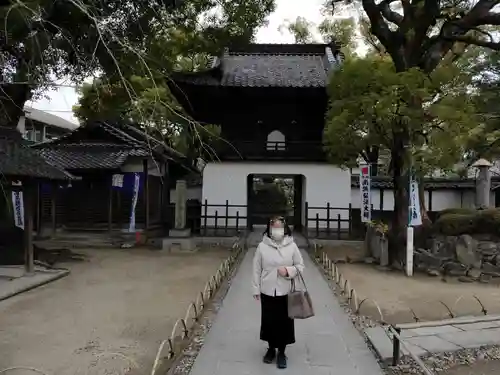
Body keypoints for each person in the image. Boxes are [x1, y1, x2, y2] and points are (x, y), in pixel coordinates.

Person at [252, 216, 305, 369]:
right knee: (269, 321)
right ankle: (270, 349)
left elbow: (300, 266)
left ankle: (282, 352)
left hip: (286, 291)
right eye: (274, 227)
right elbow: (256, 269)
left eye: (279, 227)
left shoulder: (292, 246)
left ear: (285, 228)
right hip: (267, 290)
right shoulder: (262, 246)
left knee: (284, 323)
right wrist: (256, 288)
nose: (277, 230)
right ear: (269, 229)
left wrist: (288, 270)